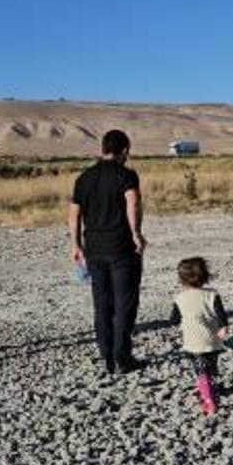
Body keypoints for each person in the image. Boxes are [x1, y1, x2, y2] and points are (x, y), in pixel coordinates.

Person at [69, 130, 147, 375]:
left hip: (94, 248)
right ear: (124, 150)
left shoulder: (84, 178)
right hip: (122, 247)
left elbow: (74, 214)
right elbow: (132, 201)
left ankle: (106, 354)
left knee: (102, 302)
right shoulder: (126, 175)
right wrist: (136, 232)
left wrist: (76, 244)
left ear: (103, 149)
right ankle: (122, 357)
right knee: (125, 303)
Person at [169, 257, 230, 415]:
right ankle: (208, 384)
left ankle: (208, 398)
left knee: (200, 370)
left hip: (192, 341)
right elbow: (221, 315)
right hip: (211, 340)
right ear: (205, 277)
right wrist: (223, 328)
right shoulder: (212, 295)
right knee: (210, 365)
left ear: (181, 280)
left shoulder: (180, 298)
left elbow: (173, 320)